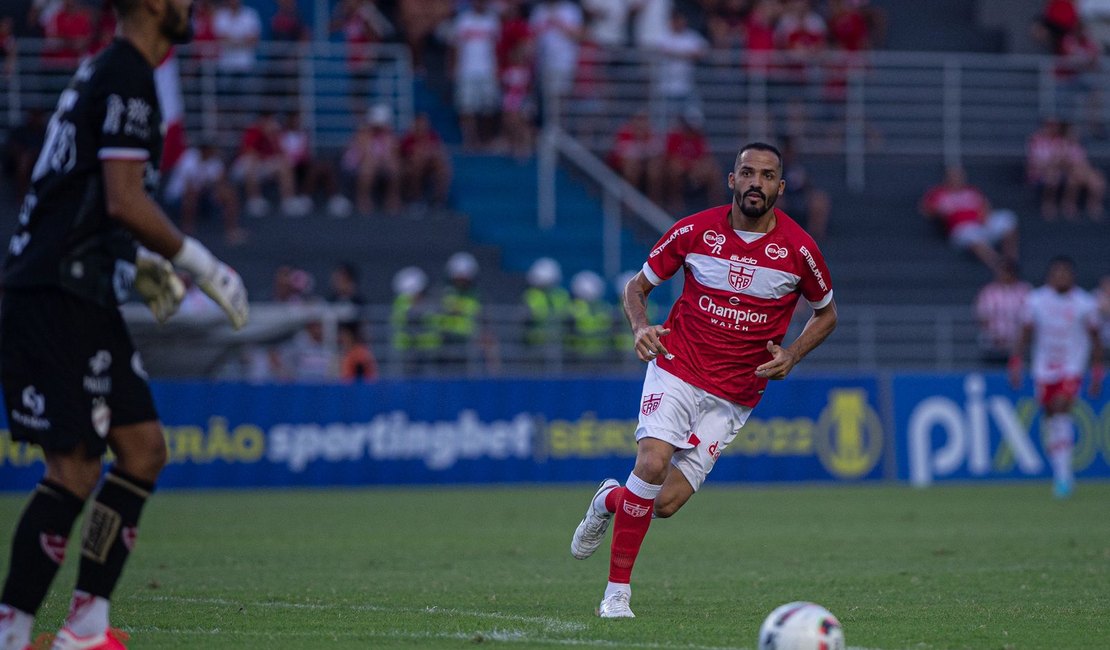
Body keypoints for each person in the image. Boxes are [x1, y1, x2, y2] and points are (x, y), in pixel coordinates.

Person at [0, 0, 249, 648]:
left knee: (142, 450)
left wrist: (133, 261)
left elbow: (77, 193)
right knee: (75, 470)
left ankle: (85, 627)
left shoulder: (106, 73)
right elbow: (122, 198)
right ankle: (12, 631)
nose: (190, 5)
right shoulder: (126, 76)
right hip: (56, 293)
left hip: (76, 285)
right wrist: (202, 265)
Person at [569, 142, 837, 618]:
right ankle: (616, 595)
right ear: (731, 180)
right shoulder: (693, 231)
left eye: (768, 175)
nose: (757, 182)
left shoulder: (800, 250)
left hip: (734, 395)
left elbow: (827, 314)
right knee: (651, 464)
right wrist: (639, 327)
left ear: (780, 185)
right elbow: (637, 286)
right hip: (677, 366)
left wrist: (793, 353)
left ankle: (609, 499)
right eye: (748, 173)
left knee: (664, 502)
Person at [1009, 256, 1103, 499]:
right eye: (1057, 273)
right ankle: (1061, 471)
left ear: (1073, 276)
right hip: (1043, 369)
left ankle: (1063, 478)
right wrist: (1016, 362)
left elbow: (1096, 339)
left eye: (1065, 273)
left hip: (1072, 367)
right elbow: (1025, 332)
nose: (1061, 277)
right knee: (1051, 416)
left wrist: (1096, 372)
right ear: (1050, 276)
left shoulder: (1085, 303)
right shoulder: (1036, 300)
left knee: (1062, 406)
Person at [918, 166, 1019, 274]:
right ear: (946, 178)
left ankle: (1011, 260)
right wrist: (940, 212)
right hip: (961, 228)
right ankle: (999, 264)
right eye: (954, 176)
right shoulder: (939, 193)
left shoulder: (971, 190)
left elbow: (985, 204)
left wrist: (984, 216)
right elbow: (925, 209)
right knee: (970, 234)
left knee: (1007, 217)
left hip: (980, 223)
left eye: (960, 176)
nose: (957, 179)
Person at [974, 260, 1032, 364]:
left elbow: (1029, 317)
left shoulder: (1025, 290)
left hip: (1019, 344)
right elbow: (982, 317)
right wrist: (996, 336)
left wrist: (1020, 340)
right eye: (1002, 271)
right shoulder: (988, 292)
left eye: (1008, 271)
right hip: (993, 343)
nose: (1005, 275)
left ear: (1014, 272)